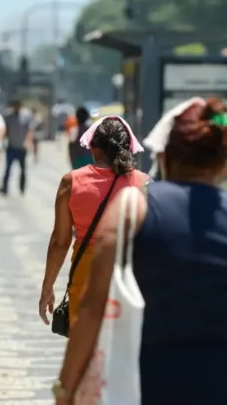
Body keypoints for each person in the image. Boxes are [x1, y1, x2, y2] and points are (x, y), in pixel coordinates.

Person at [50, 97, 227, 405]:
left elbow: (93, 310)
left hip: (149, 388)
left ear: (165, 156)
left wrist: (65, 390)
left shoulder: (133, 210)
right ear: (225, 162)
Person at [38, 115, 150, 329]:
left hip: (86, 277)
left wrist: (47, 288)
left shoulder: (71, 182)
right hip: (128, 277)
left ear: (94, 148)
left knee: (86, 350)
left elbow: (60, 242)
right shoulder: (143, 183)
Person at [0, 99, 34, 196]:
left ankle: (22, 187)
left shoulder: (26, 116)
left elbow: (29, 130)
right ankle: (5, 187)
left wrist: (27, 142)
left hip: (21, 147)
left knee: (23, 169)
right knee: (8, 168)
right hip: (11, 146)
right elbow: (5, 129)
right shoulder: (8, 116)